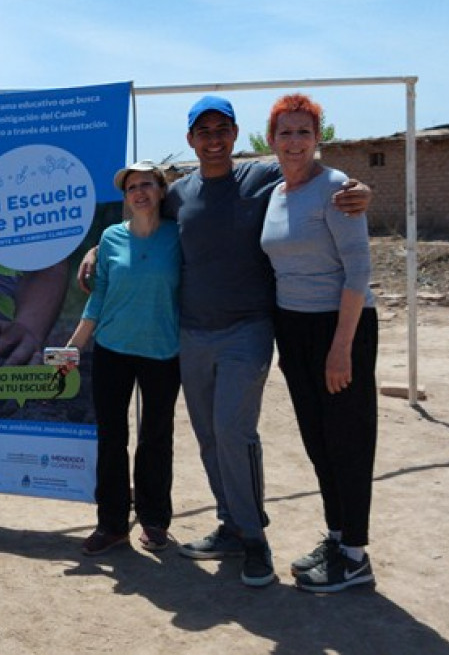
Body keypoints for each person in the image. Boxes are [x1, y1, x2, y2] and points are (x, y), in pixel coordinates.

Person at [77, 96, 371, 587]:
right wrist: (94, 248)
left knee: (235, 433)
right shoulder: (178, 194)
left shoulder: (261, 178)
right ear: (191, 139)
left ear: (236, 135)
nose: (213, 139)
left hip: (248, 328)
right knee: (209, 435)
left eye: (222, 129)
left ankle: (255, 538)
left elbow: (311, 176)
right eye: (203, 131)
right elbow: (139, 221)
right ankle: (231, 524)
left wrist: (362, 188)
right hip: (191, 333)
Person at [259, 93, 378, 592]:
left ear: (318, 138)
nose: (293, 141)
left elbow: (359, 269)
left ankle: (354, 556)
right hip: (294, 327)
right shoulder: (276, 192)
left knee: (347, 439)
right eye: (284, 132)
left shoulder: (337, 190)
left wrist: (341, 347)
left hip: (340, 325)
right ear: (271, 139)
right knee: (318, 439)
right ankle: (336, 536)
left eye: (303, 132)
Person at [64, 161, 182, 556]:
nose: (139, 192)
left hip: (163, 351)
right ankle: (112, 524)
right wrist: (75, 345)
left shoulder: (179, 237)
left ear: (161, 191)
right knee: (111, 438)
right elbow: (98, 297)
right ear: (126, 197)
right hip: (113, 350)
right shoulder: (111, 238)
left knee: (156, 438)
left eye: (147, 184)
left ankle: (154, 520)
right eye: (131, 187)